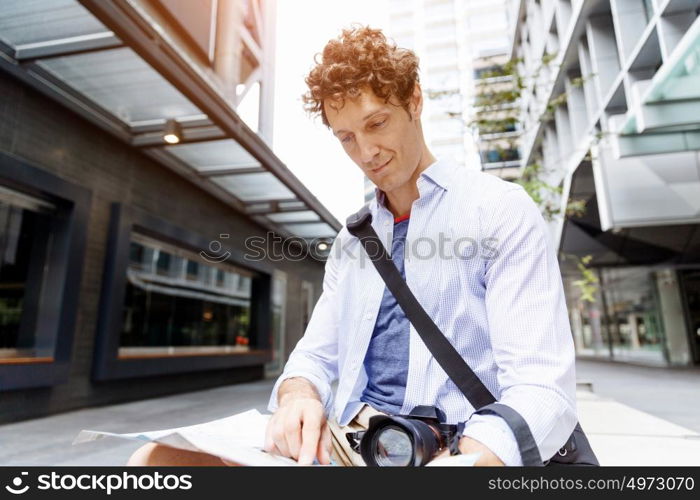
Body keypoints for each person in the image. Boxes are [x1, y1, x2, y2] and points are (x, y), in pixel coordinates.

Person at [127, 25, 577, 467]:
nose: (366, 152)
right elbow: (315, 355)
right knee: (156, 459)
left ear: (414, 100)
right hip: (356, 441)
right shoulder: (351, 242)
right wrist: (298, 395)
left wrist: (477, 458)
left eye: (376, 123)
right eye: (346, 137)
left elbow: (542, 387)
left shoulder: (498, 210)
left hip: (461, 446)